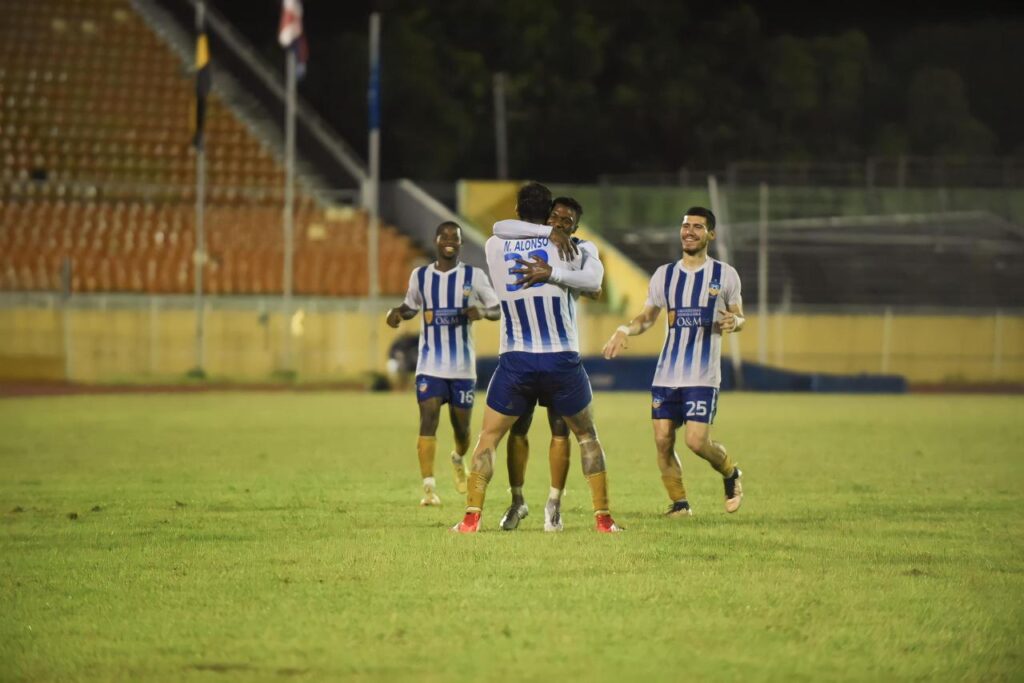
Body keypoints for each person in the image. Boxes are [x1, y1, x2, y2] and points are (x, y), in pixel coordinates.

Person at [451, 182, 622, 533]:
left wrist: (550, 261)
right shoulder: (575, 246)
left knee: (488, 439)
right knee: (587, 436)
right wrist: (554, 243)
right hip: (561, 359)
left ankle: (471, 519)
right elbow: (594, 281)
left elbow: (500, 227)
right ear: (548, 216)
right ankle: (603, 519)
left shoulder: (495, 244)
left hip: (516, 360)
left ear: (517, 210)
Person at [602, 207, 744, 516]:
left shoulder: (725, 274)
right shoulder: (664, 275)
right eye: (685, 226)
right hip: (666, 375)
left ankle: (731, 473)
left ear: (710, 234)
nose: (689, 231)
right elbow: (647, 316)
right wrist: (625, 329)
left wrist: (737, 322)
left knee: (696, 442)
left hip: (702, 376)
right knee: (663, 441)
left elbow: (738, 315)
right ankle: (680, 505)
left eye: (697, 226)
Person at [492, 196, 600, 532]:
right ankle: (517, 501)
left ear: (576, 227)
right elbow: (499, 227)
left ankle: (554, 503)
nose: (559, 223)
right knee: (518, 430)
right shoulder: (532, 241)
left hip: (559, 354)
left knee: (560, 431)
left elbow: (594, 285)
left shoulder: (580, 250)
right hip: (521, 356)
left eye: (567, 221)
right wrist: (548, 233)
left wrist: (555, 273)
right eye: (554, 216)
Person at [386, 221, 499, 506]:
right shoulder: (421, 276)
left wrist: (481, 311)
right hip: (429, 366)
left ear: (460, 244)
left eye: (455, 237)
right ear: (436, 240)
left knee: (462, 431)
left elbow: (497, 309)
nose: (450, 240)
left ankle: (459, 457)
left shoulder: (474, 276)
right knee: (428, 418)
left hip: (462, 368)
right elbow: (411, 306)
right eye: (445, 236)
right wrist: (397, 313)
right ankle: (428, 489)